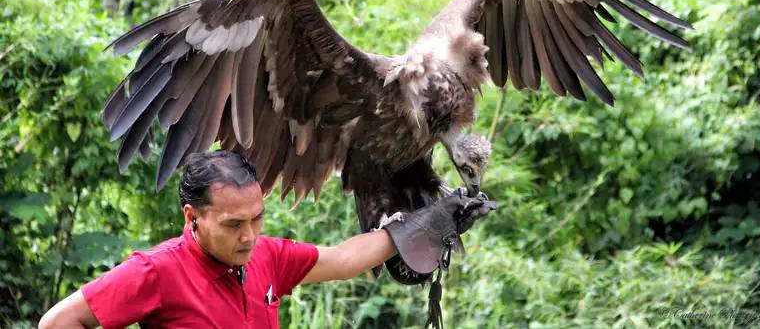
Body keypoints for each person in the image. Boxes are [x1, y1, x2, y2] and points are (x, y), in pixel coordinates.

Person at [39, 150, 493, 328]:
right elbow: (58, 323)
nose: (250, 235)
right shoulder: (157, 271)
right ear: (192, 217)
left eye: (257, 218)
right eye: (234, 224)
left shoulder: (268, 257)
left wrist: (429, 222)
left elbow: (343, 259)